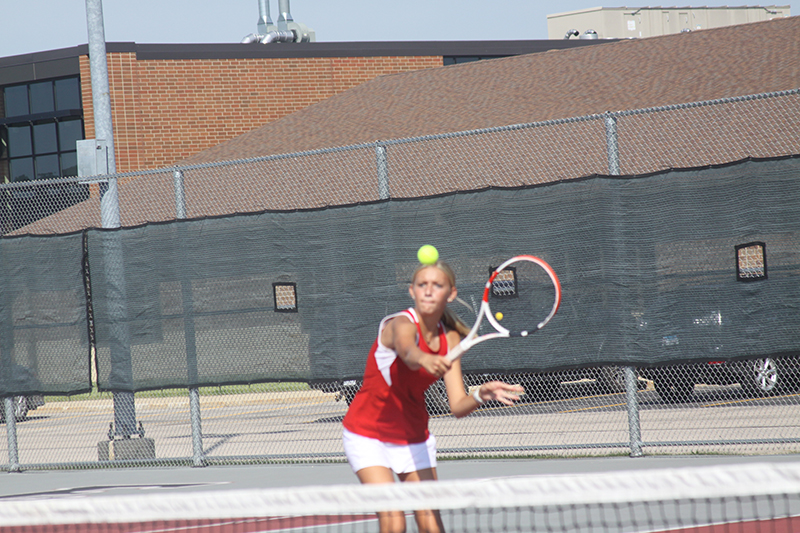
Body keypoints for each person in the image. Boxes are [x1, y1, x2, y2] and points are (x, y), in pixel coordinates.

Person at [342, 259, 524, 533]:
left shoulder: (451, 340)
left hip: (413, 436)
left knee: (430, 522)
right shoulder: (399, 323)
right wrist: (424, 359)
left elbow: (457, 406)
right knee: (393, 519)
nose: (428, 291)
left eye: (436, 285)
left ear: (450, 293)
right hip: (367, 434)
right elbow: (407, 350)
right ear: (412, 291)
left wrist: (481, 394)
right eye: (422, 285)